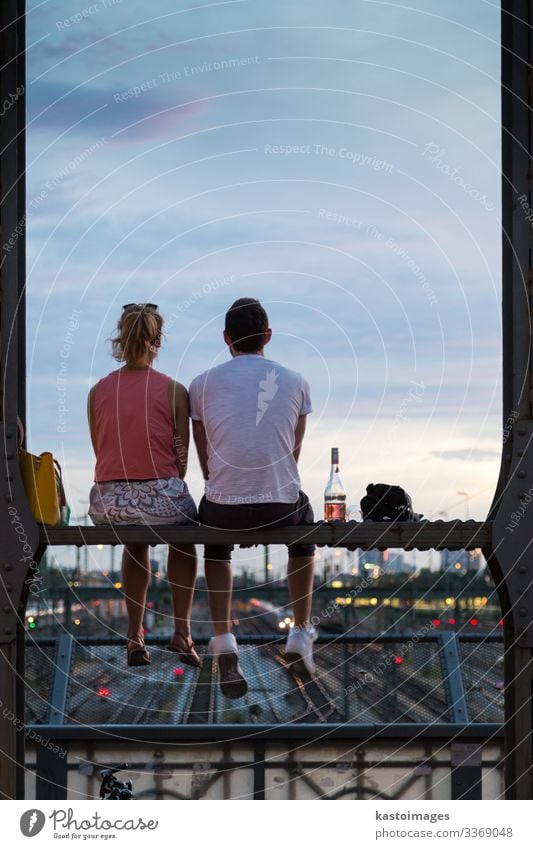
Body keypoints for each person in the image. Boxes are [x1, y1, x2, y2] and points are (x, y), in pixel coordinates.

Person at [189, 297, 316, 698]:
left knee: (215, 541)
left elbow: (205, 457)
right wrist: (263, 496)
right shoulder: (297, 381)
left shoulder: (200, 384)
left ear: (226, 338)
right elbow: (291, 457)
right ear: (268, 336)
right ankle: (299, 632)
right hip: (282, 506)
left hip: (223, 506)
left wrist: (234, 497)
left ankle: (224, 640)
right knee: (306, 523)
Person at [88, 303, 200, 668]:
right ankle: (181, 632)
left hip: (108, 501)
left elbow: (100, 449)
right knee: (184, 538)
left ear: (121, 339)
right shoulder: (174, 390)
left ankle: (135, 635)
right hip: (160, 496)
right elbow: (181, 460)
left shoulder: (97, 391)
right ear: (157, 341)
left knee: (134, 539)